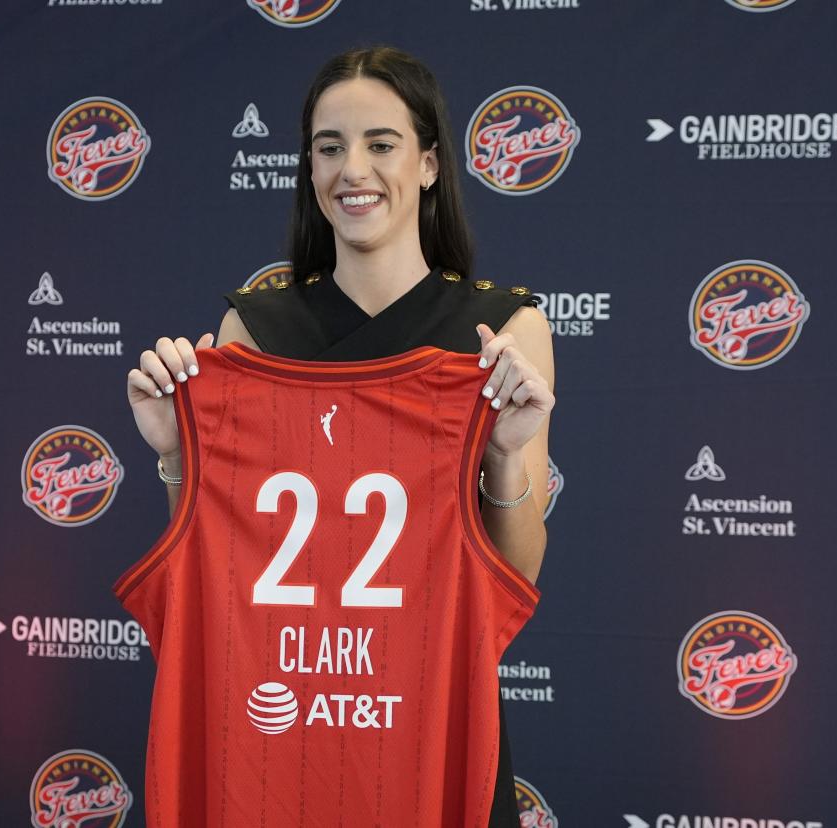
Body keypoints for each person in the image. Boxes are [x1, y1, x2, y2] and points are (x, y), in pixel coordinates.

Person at [123, 45, 554, 827]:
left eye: (380, 144)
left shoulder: (501, 329)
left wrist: (503, 453)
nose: (352, 169)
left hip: (426, 733)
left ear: (428, 164)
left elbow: (513, 579)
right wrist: (176, 459)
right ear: (309, 169)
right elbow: (214, 562)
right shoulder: (250, 330)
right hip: (270, 744)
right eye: (329, 148)